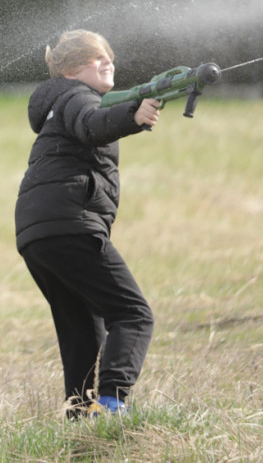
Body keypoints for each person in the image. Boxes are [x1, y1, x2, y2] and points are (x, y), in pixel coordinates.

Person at [14, 30, 160, 418]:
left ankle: (79, 413)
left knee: (82, 328)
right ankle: (111, 403)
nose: (107, 61)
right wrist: (133, 115)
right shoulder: (77, 97)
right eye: (94, 57)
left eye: (108, 55)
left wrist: (129, 108)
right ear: (69, 69)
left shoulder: (56, 104)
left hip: (36, 234)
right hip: (70, 225)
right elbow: (94, 123)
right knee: (132, 314)